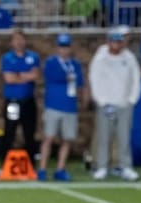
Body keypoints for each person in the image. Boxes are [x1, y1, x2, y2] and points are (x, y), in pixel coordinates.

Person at [89, 28, 141, 181]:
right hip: (106, 105)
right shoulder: (101, 57)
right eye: (114, 42)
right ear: (108, 42)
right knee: (104, 137)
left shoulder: (129, 57)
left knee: (124, 137)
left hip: (124, 104)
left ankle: (126, 167)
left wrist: (131, 100)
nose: (117, 45)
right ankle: (102, 167)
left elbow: (135, 79)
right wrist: (102, 101)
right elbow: (94, 79)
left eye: (119, 42)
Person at [37, 33, 85, 182]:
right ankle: (42, 168)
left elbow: (79, 83)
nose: (64, 50)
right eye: (61, 47)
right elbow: (55, 77)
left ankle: (60, 168)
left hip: (69, 106)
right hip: (53, 104)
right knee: (49, 138)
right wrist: (68, 77)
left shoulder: (75, 64)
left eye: (66, 47)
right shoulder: (51, 62)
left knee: (67, 139)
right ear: (57, 48)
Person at [0, 28, 40, 160]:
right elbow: (9, 79)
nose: (19, 42)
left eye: (21, 39)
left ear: (25, 40)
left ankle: (31, 163)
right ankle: (5, 162)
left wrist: (18, 75)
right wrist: (25, 76)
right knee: (10, 131)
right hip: (13, 102)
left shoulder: (33, 57)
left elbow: (36, 75)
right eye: (16, 40)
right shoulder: (7, 58)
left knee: (29, 132)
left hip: (28, 100)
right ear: (12, 42)